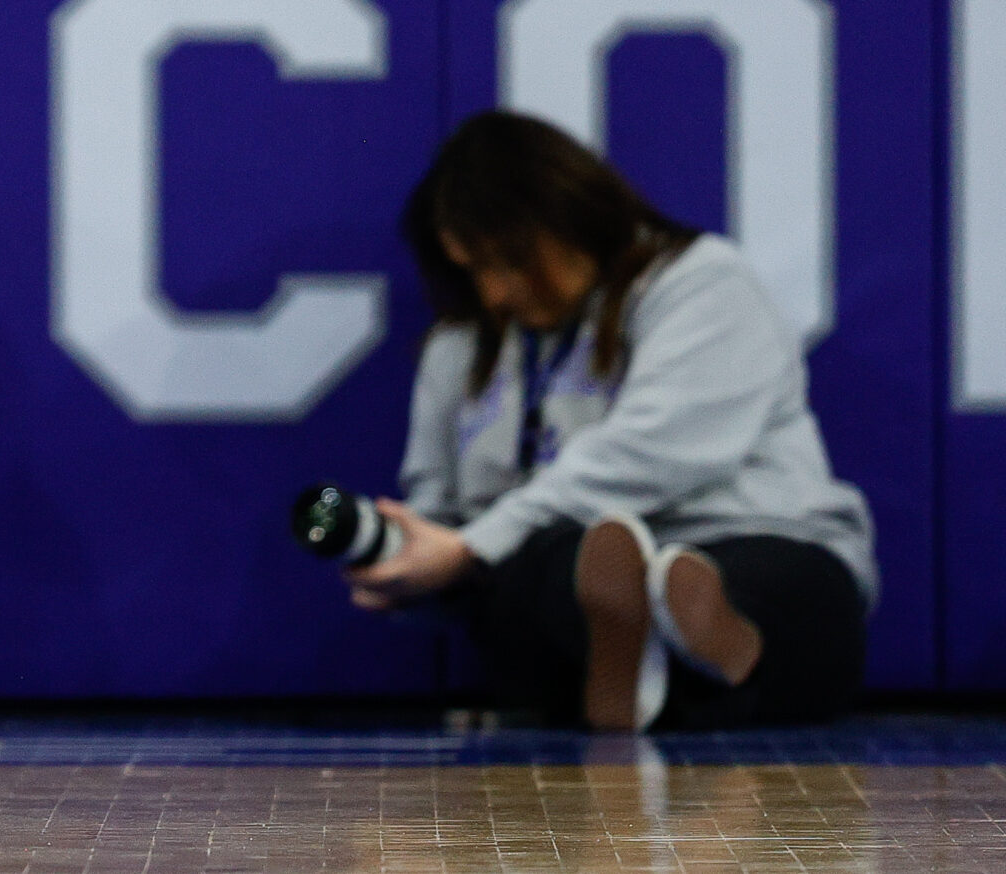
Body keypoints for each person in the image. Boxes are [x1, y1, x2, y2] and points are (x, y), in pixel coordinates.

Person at [345, 112, 877, 731]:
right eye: (472, 271)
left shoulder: (702, 283)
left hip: (749, 535)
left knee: (783, 594)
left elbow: (652, 451)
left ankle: (697, 638)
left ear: (569, 217)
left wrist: (470, 547)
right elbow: (447, 515)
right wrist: (410, 567)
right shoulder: (459, 346)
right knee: (538, 578)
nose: (493, 292)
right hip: (564, 564)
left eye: (506, 261)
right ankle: (669, 658)